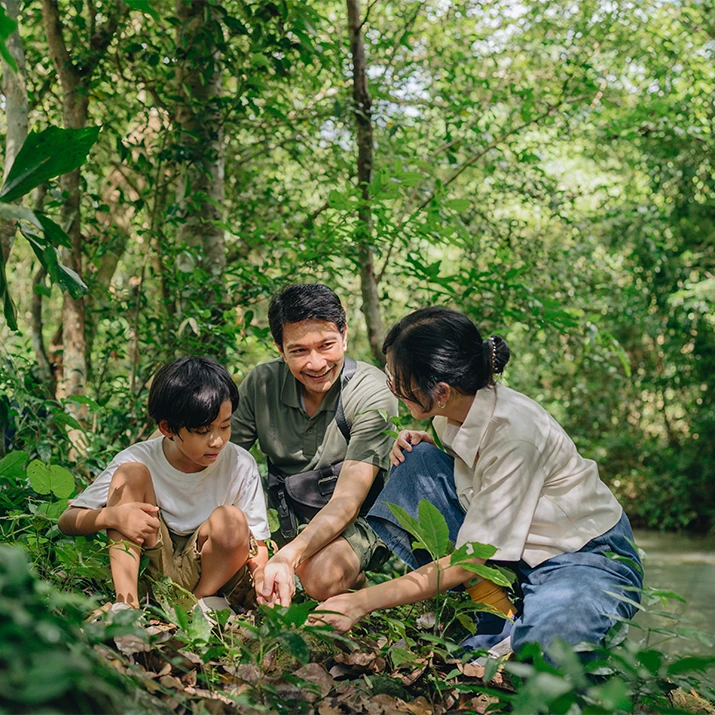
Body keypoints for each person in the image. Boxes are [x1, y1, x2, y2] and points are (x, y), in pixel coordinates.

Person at [316, 307, 643, 660]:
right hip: (515, 549)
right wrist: (426, 443)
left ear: (441, 392)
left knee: (550, 650)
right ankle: (496, 615)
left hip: (580, 555)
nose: (393, 389)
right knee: (415, 461)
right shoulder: (451, 410)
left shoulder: (515, 436)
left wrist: (360, 602)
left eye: (400, 382)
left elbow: (468, 558)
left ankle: (526, 622)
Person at [58, 357, 271, 616]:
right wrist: (111, 516)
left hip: (211, 573)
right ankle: (126, 604)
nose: (217, 441)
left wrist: (262, 578)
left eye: (225, 426)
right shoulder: (139, 458)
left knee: (231, 518)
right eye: (203, 431)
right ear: (167, 428)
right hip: (153, 565)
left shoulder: (240, 463)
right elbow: (67, 520)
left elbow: (258, 543)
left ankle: (200, 603)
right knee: (130, 475)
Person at [231, 283, 398, 606]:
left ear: (345, 335)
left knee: (320, 576)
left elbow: (348, 502)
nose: (316, 363)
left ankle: (353, 579)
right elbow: (217, 451)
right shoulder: (263, 383)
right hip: (282, 514)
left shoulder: (370, 391)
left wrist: (288, 557)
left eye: (326, 345)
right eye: (299, 351)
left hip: (355, 520)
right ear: (279, 348)